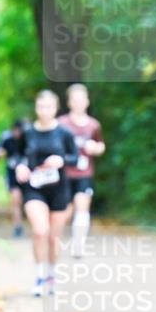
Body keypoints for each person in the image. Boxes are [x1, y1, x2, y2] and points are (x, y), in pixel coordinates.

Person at [15, 90, 79, 297]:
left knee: (53, 238)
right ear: (36, 108)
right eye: (40, 106)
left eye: (48, 107)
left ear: (56, 108)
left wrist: (62, 161)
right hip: (34, 188)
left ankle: (52, 274)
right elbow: (18, 156)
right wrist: (20, 167)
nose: (44, 111)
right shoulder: (28, 132)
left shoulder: (64, 133)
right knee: (40, 231)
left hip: (59, 190)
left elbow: (75, 157)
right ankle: (40, 275)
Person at [59, 84, 105, 258]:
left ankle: (79, 245)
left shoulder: (93, 125)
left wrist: (96, 148)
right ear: (69, 102)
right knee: (64, 210)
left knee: (82, 205)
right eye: (74, 100)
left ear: (87, 101)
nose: (78, 103)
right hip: (64, 173)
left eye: (81, 99)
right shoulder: (62, 124)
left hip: (84, 173)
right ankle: (55, 238)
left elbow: (101, 146)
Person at [0, 119, 27, 238]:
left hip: (28, 175)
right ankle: (18, 226)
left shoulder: (28, 140)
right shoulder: (8, 141)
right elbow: (1, 153)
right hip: (12, 175)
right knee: (15, 200)